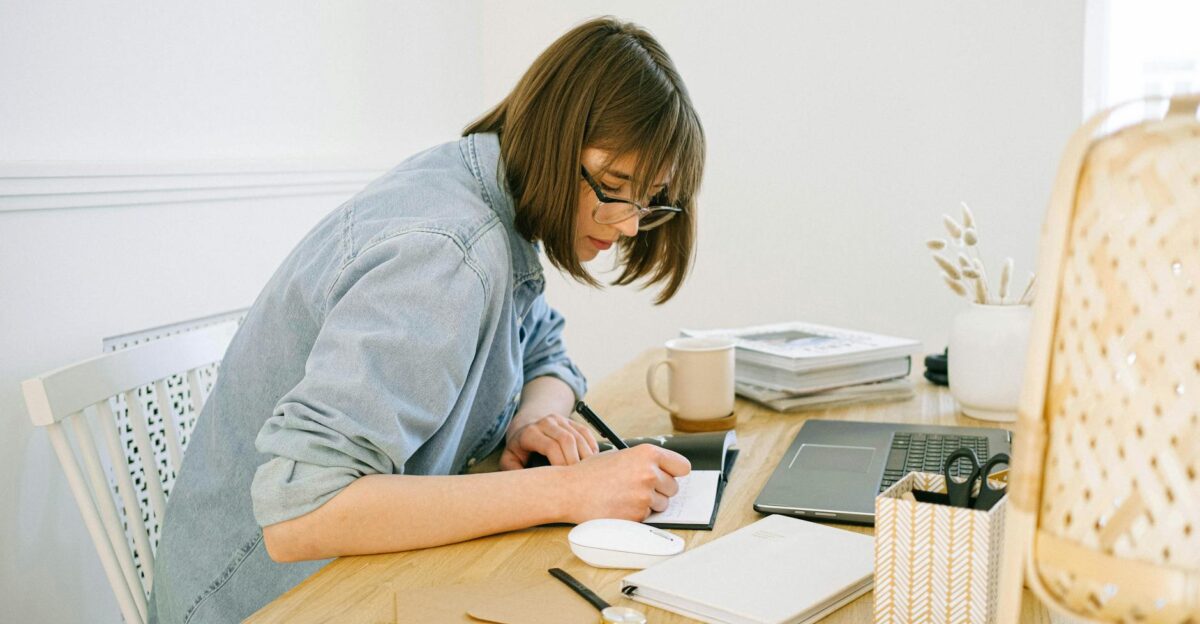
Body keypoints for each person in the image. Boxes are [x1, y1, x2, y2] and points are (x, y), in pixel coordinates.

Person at [149, 15, 705, 623]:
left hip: (360, 576)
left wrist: (536, 421)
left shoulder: (491, 195)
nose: (629, 224)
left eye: (650, 200)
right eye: (614, 185)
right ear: (554, 136)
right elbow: (300, 512)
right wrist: (567, 489)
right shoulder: (450, 252)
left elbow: (547, 350)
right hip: (265, 603)